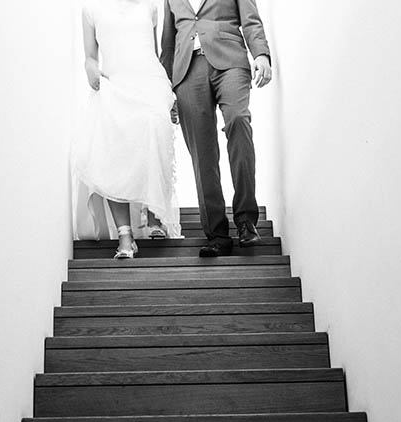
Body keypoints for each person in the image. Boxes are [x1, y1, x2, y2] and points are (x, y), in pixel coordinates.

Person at [161, 0, 272, 257]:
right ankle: (217, 233)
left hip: (230, 60)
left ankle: (246, 220)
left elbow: (250, 18)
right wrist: (165, 92)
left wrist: (261, 54)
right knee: (202, 151)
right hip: (187, 71)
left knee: (238, 120)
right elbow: (167, 43)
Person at [72, 0, 182, 259]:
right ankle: (125, 236)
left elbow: (153, 53)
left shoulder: (150, 7)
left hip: (150, 85)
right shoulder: (91, 9)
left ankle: (155, 218)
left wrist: (168, 92)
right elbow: (90, 56)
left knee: (154, 140)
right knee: (115, 156)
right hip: (115, 86)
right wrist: (91, 70)